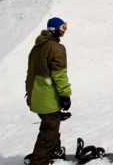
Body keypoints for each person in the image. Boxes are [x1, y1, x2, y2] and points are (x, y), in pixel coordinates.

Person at [25, 17, 72, 165]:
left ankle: (54, 150)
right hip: (48, 96)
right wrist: (65, 94)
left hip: (36, 94)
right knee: (49, 130)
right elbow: (59, 75)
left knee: (52, 125)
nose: (64, 31)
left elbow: (31, 73)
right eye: (63, 27)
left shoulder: (37, 47)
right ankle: (38, 161)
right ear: (54, 29)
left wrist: (29, 93)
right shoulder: (56, 48)